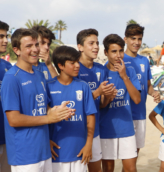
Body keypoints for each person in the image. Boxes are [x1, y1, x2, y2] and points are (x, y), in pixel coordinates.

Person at [1, 28, 74, 172]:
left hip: (43, 150)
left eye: (36, 45)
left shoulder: (40, 75)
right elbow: (13, 119)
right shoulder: (11, 78)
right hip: (24, 155)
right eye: (28, 46)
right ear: (17, 50)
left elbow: (43, 107)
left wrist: (58, 111)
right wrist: (49, 118)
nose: (34, 49)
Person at [48, 46, 97, 172]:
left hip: (80, 151)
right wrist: (46, 140)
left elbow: (90, 116)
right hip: (56, 153)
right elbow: (43, 117)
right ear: (61, 65)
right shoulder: (48, 87)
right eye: (72, 63)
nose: (77, 65)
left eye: (77, 61)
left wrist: (88, 144)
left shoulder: (83, 86)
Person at [76, 29, 116, 172]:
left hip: (95, 130)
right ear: (80, 47)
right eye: (91, 43)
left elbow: (102, 105)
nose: (96, 47)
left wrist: (108, 96)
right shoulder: (74, 69)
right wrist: (98, 92)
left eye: (97, 43)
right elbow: (74, 102)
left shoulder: (101, 69)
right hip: (77, 131)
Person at [100, 34, 141, 172]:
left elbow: (136, 99)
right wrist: (108, 98)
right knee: (108, 169)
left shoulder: (129, 71)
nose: (118, 55)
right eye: (113, 51)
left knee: (131, 169)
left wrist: (124, 77)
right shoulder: (101, 73)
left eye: (120, 51)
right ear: (106, 52)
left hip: (126, 129)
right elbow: (100, 105)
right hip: (106, 129)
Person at [123, 24, 160, 156]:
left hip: (140, 114)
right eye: (133, 38)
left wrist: (155, 93)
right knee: (125, 158)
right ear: (125, 39)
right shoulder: (118, 59)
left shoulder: (144, 60)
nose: (136, 42)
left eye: (139, 39)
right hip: (123, 115)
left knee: (134, 155)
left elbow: (148, 85)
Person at [0, 21, 12, 171]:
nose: (5, 40)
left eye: (6, 36)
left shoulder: (9, 67)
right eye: (0, 36)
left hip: (8, 138)